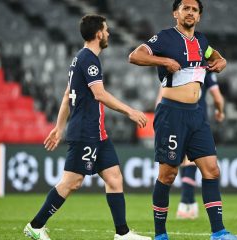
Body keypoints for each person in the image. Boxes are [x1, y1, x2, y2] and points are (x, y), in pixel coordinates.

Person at [23, 14, 151, 240]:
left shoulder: (79, 58)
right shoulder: (89, 59)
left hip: (97, 132)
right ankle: (35, 225)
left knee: (114, 178)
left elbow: (66, 95)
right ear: (99, 33)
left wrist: (59, 127)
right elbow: (99, 94)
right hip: (85, 131)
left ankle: (122, 233)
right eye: (107, 29)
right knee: (72, 182)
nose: (109, 33)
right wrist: (130, 111)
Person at [129, 0, 237, 239]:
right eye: (186, 8)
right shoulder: (164, 38)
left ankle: (219, 232)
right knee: (168, 175)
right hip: (171, 114)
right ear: (176, 13)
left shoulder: (202, 41)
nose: (190, 12)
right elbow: (135, 56)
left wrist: (222, 61)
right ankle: (160, 234)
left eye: (194, 10)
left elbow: (215, 54)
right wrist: (163, 61)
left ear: (199, 16)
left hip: (196, 115)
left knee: (211, 170)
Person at [156, 72, 225, 220]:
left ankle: (187, 203)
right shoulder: (205, 69)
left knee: (182, 163)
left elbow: (161, 96)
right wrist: (220, 111)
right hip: (197, 119)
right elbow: (217, 96)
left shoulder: (176, 64)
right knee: (183, 164)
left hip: (174, 118)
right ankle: (187, 202)